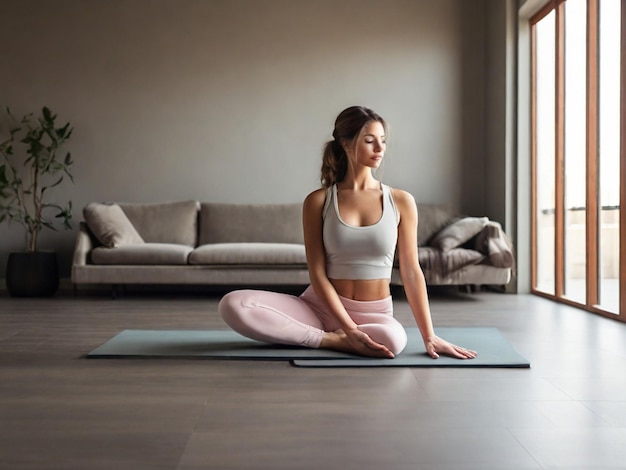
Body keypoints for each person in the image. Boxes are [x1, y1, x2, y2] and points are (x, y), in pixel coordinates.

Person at [218, 106, 477, 360]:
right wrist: (349, 330)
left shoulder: (401, 201)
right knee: (234, 305)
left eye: (383, 141)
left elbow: (411, 272)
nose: (380, 149)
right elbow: (317, 273)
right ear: (345, 143)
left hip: (375, 315)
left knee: (394, 341)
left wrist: (429, 336)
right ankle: (329, 339)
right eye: (369, 141)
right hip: (319, 308)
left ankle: (318, 337)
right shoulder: (318, 201)